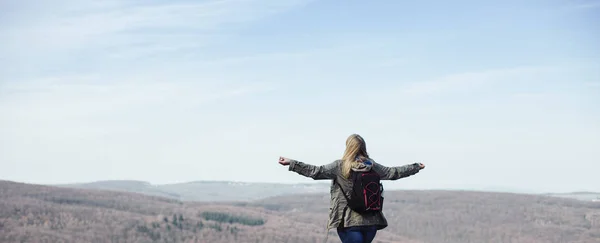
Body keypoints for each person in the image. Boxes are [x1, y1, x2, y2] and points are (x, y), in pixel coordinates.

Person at [278, 134, 425, 243]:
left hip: (348, 223)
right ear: (363, 147)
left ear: (348, 147)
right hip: (371, 222)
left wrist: (292, 163)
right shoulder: (372, 166)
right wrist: (415, 167)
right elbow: (394, 173)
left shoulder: (340, 166)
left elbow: (315, 171)